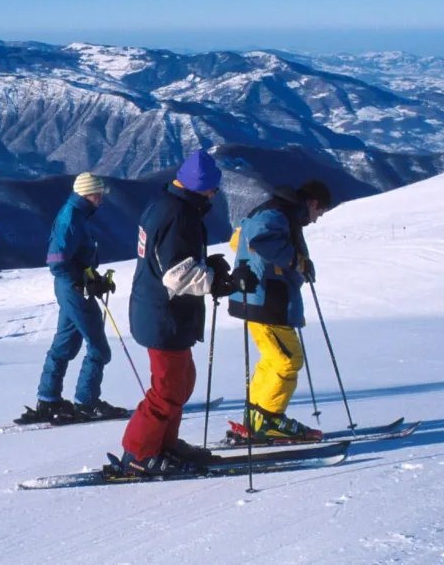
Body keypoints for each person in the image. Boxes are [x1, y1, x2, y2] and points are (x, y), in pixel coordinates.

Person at [119, 149, 253, 475]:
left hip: (160, 312)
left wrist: (210, 267)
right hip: (163, 315)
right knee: (167, 390)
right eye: (212, 187)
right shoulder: (180, 215)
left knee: (181, 382)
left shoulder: (166, 204)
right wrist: (220, 282)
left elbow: (171, 260)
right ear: (199, 186)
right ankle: (139, 454)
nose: (215, 193)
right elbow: (176, 275)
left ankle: (163, 443)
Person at [228, 180, 333, 442]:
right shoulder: (278, 214)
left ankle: (256, 418)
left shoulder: (273, 211)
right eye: (319, 212)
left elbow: (236, 240)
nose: (317, 219)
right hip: (267, 299)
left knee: (273, 359)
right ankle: (269, 420)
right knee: (288, 361)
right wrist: (296, 261)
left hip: (255, 297)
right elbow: (262, 241)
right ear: (312, 204)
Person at [32, 172, 126, 423]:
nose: (101, 200)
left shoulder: (76, 213)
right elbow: (57, 260)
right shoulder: (72, 217)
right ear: (88, 193)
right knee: (99, 348)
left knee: (65, 344)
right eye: (99, 195)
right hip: (73, 289)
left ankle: (48, 399)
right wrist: (81, 284)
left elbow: (72, 259)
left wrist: (92, 278)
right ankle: (87, 402)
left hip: (71, 287)